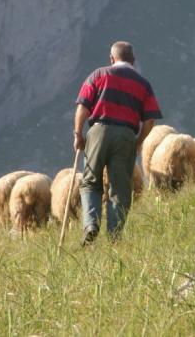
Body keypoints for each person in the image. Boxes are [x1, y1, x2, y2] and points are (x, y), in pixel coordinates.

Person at [73, 41, 162, 245]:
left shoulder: (98, 75)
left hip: (98, 131)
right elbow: (150, 120)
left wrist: (78, 133)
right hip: (126, 135)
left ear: (112, 59)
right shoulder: (143, 84)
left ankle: (91, 225)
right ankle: (115, 238)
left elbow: (82, 108)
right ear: (133, 60)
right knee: (120, 188)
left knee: (90, 181)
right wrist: (138, 141)